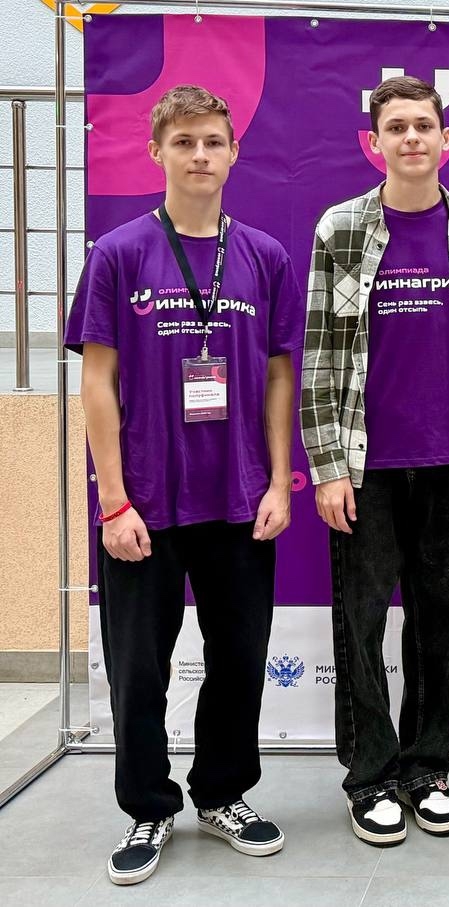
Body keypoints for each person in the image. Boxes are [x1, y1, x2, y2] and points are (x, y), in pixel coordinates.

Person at [68, 84, 300, 885]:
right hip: (145, 503)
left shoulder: (264, 257)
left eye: (212, 141)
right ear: (157, 152)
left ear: (234, 152)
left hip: (239, 500)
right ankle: (148, 805)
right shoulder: (118, 252)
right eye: (184, 142)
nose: (200, 154)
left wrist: (279, 482)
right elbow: (97, 382)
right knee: (140, 669)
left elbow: (280, 376)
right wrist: (112, 500)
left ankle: (222, 792)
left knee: (239, 659)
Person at [301, 75, 449, 847]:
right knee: (362, 621)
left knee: (442, 620)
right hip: (365, 466)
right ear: (373, 142)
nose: (411, 137)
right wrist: (327, 465)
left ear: (447, 141)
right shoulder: (340, 227)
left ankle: (427, 769)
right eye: (397, 127)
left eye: (423, 125)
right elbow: (320, 354)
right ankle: (371, 777)